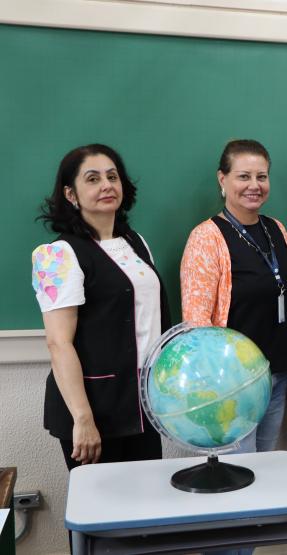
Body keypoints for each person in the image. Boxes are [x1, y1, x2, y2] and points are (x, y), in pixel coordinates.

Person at [31, 144, 170, 470]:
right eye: (92, 179)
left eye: (112, 176)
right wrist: (83, 419)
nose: (107, 185)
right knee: (99, 514)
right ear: (71, 194)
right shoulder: (58, 255)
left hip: (143, 404)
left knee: (147, 509)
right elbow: (58, 342)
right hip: (94, 410)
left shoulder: (135, 242)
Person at [180, 139, 287, 456]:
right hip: (233, 386)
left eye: (261, 177)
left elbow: (286, 296)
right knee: (238, 476)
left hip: (276, 375)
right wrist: (216, 385)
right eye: (243, 176)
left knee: (262, 472)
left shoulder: (277, 229)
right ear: (223, 180)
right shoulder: (206, 237)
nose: (254, 185)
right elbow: (196, 325)